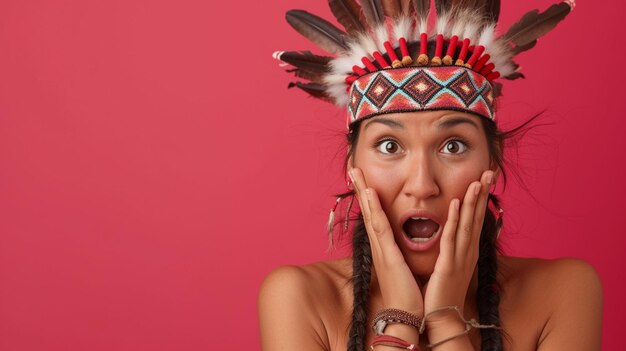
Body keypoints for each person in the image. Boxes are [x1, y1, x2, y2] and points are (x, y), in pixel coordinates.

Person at [259, 1, 602, 350]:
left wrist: (446, 319)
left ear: (492, 164)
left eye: (453, 146)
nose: (422, 185)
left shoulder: (562, 291)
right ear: (352, 167)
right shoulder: (299, 298)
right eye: (390, 146)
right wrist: (400, 318)